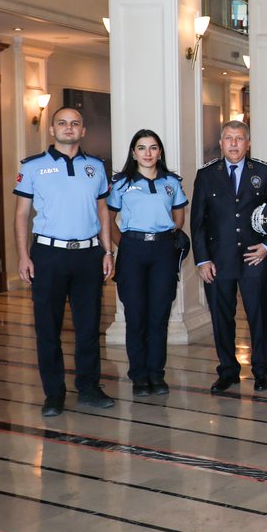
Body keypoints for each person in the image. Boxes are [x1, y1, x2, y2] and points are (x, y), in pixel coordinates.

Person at [13, 106, 115, 417]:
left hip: (88, 254)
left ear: (83, 131)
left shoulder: (96, 167)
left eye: (75, 124)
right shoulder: (32, 167)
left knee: (88, 326)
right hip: (48, 254)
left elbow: (103, 213)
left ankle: (88, 387)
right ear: (52, 130)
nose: (68, 128)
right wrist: (23, 256)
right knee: (48, 327)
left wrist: (108, 250)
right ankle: (53, 394)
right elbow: (21, 215)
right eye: (62, 123)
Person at [191, 120, 267, 394]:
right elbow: (198, 222)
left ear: (248, 143)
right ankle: (228, 371)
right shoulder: (206, 175)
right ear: (221, 143)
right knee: (221, 318)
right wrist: (202, 259)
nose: (234, 144)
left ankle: (261, 371)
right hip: (218, 261)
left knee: (259, 318)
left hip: (254, 259)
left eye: (239, 138)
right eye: (228, 139)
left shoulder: (264, 173)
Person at [106, 129, 188, 397]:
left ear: (160, 152)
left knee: (159, 315)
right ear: (133, 153)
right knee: (136, 315)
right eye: (142, 148)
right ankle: (139, 375)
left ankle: (157, 373)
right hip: (132, 251)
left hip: (163, 250)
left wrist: (166, 237)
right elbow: (108, 222)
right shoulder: (120, 183)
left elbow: (179, 218)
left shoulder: (171, 182)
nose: (148, 153)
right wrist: (126, 246)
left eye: (153, 148)